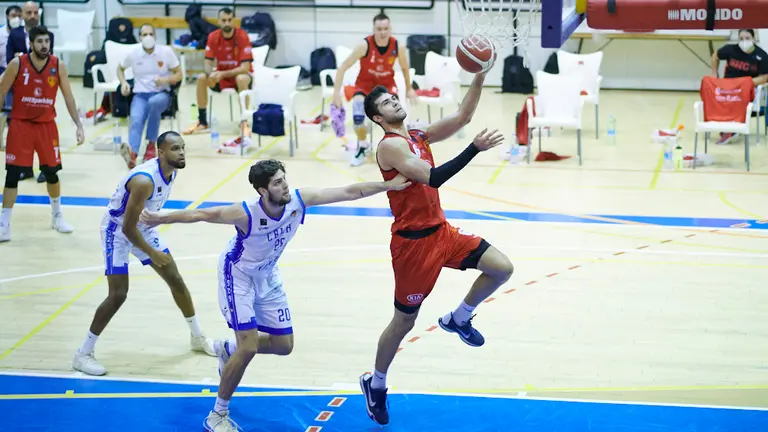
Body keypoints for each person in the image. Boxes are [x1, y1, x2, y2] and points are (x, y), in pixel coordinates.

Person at [138, 159, 411, 432]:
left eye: (284, 179)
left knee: (284, 345)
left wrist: (388, 185)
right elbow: (203, 215)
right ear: (262, 191)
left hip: (268, 276)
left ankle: (227, 350)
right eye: (277, 183)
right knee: (249, 347)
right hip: (238, 277)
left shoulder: (299, 201)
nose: (285, 185)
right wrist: (159, 217)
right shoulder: (245, 213)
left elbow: (350, 191)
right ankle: (217, 414)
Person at [358, 73, 515, 425]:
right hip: (413, 246)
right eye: (386, 103)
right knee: (403, 322)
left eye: (394, 98)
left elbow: (462, 118)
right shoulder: (390, 147)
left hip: (442, 232)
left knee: (502, 268)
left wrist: (479, 75)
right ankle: (376, 383)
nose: (394, 102)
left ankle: (458, 318)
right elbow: (432, 177)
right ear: (378, 119)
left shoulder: (417, 136)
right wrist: (474, 148)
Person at [72, 131, 216, 376]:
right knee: (118, 294)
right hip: (117, 230)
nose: (181, 153)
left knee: (176, 280)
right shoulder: (144, 181)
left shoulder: (172, 170)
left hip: (143, 227)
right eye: (175, 149)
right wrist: (152, 253)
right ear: (161, 153)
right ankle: (83, 354)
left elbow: (140, 220)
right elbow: (128, 227)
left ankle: (197, 336)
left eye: (183, 147)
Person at [0, 25, 83, 243]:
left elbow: (68, 97)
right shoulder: (17, 64)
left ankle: (57, 216)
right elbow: (1, 90)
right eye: (39, 41)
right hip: (21, 125)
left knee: (52, 173)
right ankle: (4, 224)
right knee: (12, 175)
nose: (44, 45)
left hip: (47, 126)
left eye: (47, 41)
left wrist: (79, 125)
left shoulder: (58, 65)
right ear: (31, 44)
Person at [331, 11, 417, 167]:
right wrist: (336, 94)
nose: (383, 32)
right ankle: (363, 145)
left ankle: (404, 148)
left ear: (390, 29)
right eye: (379, 29)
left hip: (386, 87)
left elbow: (405, 68)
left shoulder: (398, 46)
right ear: (374, 29)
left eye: (386, 29)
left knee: (396, 117)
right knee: (358, 115)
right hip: (364, 86)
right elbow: (342, 67)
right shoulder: (364, 45)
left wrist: (410, 88)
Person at [118, 24, 182, 168]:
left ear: (155, 36)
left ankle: (151, 145)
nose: (148, 37)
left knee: (154, 103)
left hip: (161, 95)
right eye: (144, 34)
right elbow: (120, 68)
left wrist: (164, 80)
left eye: (150, 34)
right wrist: (123, 83)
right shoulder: (134, 53)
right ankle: (132, 153)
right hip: (140, 95)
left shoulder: (166, 52)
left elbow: (179, 74)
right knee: (136, 119)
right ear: (139, 37)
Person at [184, 7, 253, 135]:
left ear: (233, 20)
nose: (227, 23)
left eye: (229, 20)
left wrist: (222, 74)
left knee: (242, 78)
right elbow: (208, 62)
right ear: (219, 21)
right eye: (224, 20)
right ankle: (203, 121)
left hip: (239, 76)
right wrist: (211, 73)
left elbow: (245, 68)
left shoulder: (242, 36)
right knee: (201, 77)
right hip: (221, 77)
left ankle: (244, 121)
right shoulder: (213, 36)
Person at [6, 1, 53, 183]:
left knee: (43, 130)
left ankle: (45, 167)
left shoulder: (47, 34)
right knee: (22, 130)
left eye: (35, 12)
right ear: (23, 15)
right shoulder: (15, 34)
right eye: (29, 12)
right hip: (21, 85)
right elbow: (11, 57)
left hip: (42, 87)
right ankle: (25, 168)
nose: (32, 16)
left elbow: (49, 57)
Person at [711, 28, 768, 145]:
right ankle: (727, 127)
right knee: (714, 92)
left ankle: (731, 130)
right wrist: (714, 73)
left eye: (747, 38)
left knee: (737, 98)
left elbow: (764, 77)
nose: (744, 41)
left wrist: (747, 83)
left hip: (747, 88)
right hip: (727, 86)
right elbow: (715, 55)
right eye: (741, 39)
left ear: (753, 38)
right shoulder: (731, 49)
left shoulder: (761, 55)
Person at [0, 5, 22, 151]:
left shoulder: (22, 35)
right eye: (13, 15)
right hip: (3, 70)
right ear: (7, 16)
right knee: (5, 107)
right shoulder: (1, 34)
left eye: (19, 16)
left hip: (19, 72)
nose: (16, 19)